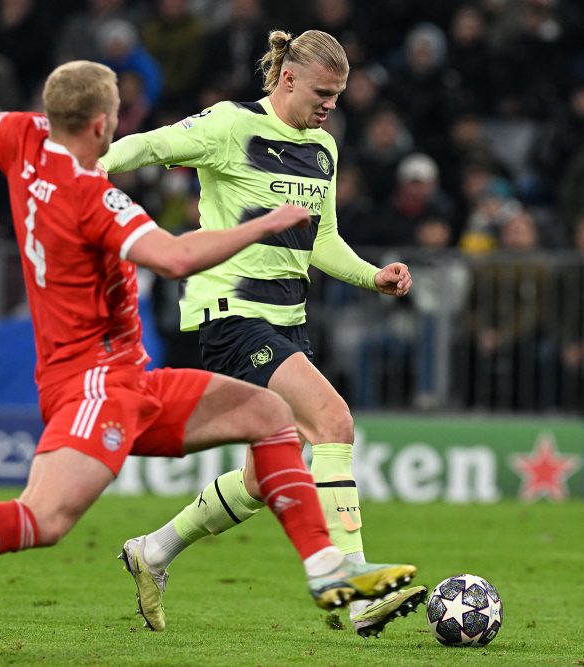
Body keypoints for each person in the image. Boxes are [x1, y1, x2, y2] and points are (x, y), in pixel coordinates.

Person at [0, 60, 418, 649]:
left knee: (270, 422)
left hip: (129, 378)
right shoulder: (93, 198)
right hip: (93, 386)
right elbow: (172, 259)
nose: (118, 127)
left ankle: (320, 568)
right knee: (43, 519)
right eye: (115, 118)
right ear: (99, 124)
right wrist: (261, 225)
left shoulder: (20, 137)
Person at [98, 30, 426, 637]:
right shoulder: (231, 126)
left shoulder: (323, 150)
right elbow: (148, 144)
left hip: (286, 322)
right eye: (323, 93)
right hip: (233, 316)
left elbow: (321, 241)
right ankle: (352, 587)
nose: (330, 105)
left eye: (339, 96)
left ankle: (152, 551)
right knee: (334, 421)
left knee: (262, 476)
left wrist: (372, 276)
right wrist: (85, 169)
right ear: (288, 79)